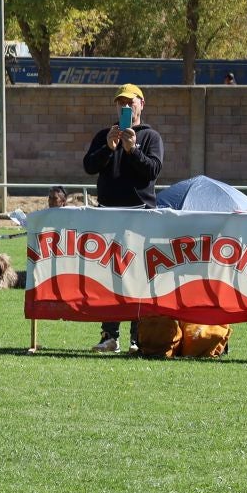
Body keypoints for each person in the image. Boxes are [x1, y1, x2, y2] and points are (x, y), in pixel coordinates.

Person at [80, 83, 165, 353]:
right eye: (121, 103)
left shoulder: (151, 137)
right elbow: (89, 166)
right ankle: (109, 336)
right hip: (109, 216)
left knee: (138, 277)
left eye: (131, 102)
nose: (126, 107)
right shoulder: (106, 135)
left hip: (141, 217)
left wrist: (132, 150)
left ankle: (137, 338)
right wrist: (108, 147)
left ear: (142, 104)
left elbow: (152, 171)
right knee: (109, 278)